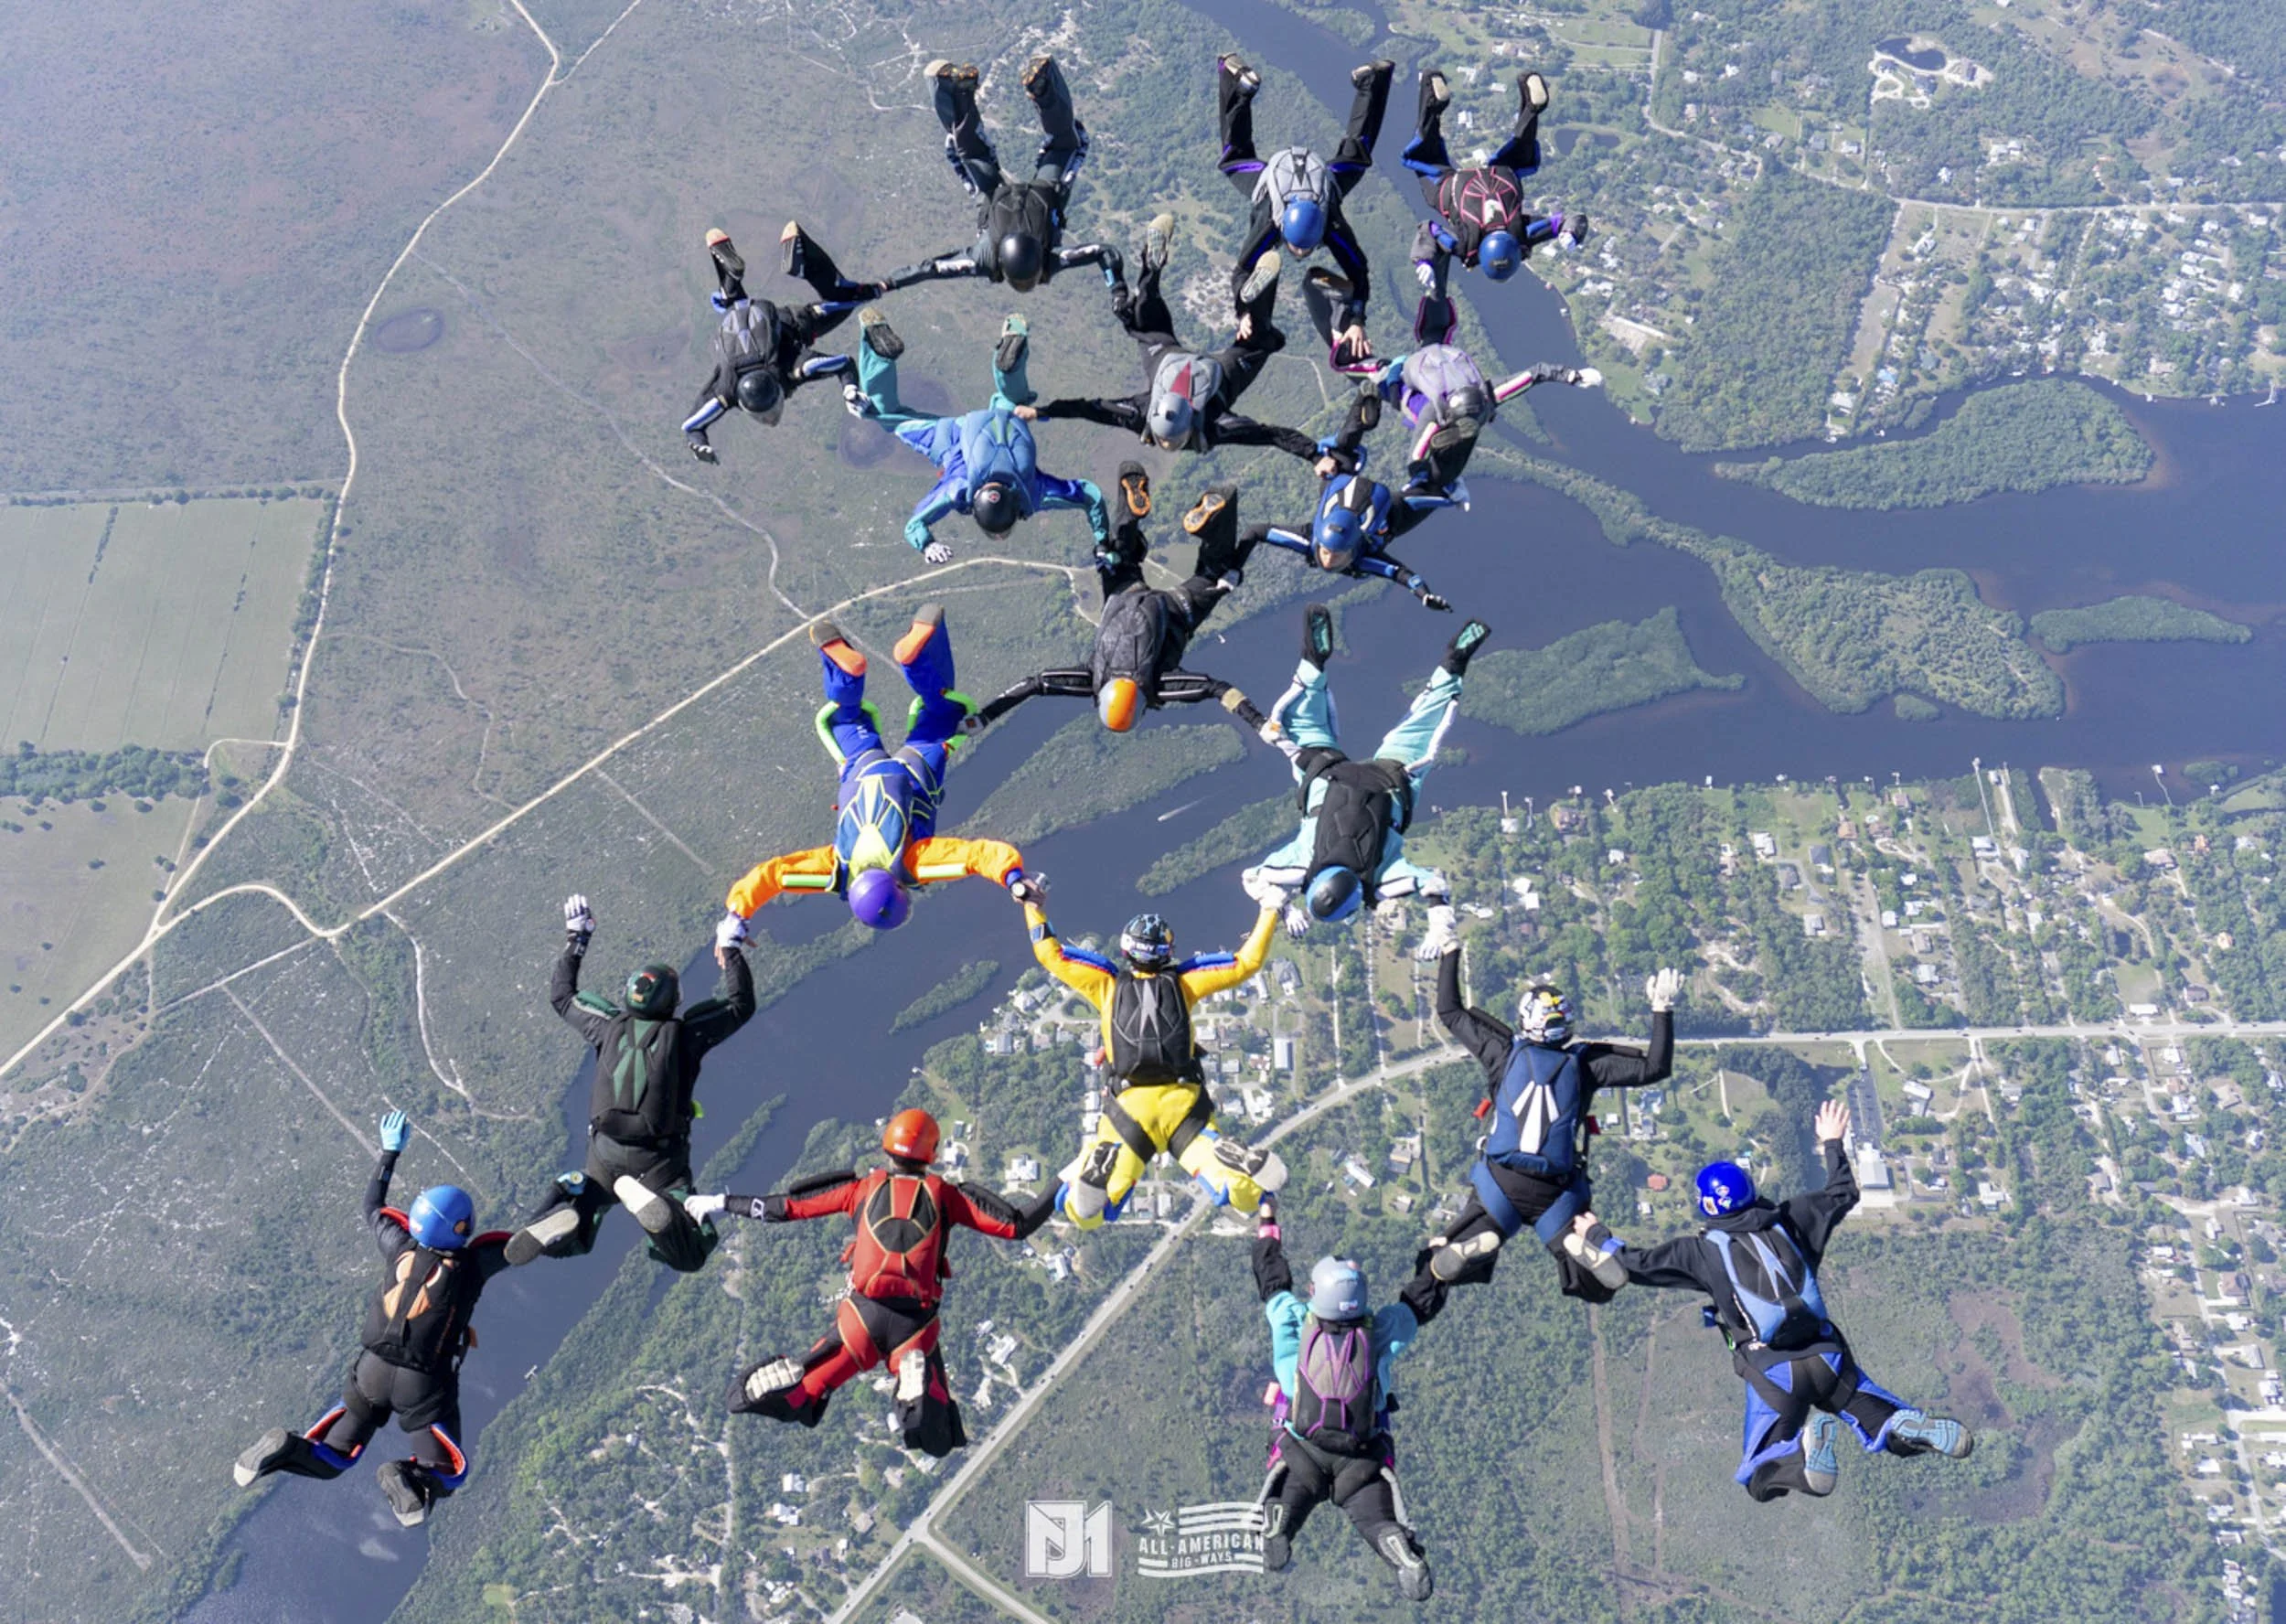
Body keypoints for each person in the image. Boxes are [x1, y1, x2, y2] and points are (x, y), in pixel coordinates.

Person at [1579, 1101, 1975, 1501]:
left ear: (1706, 1206)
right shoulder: (1792, 1219)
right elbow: (1842, 1192)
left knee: (1760, 1477)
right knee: (1878, 1421)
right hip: (1829, 1357)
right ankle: (1902, 1425)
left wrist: (1595, 1235)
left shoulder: (1698, 1253)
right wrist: (1833, 1142)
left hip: (1773, 1371)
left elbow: (1633, 1265)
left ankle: (1802, 1459)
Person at [704, 1108, 1054, 1457]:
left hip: (860, 1320)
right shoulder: (946, 1196)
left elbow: (786, 1207)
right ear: (931, 1155)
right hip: (914, 1328)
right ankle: (912, 1393)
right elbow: (1016, 1226)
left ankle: (784, 1389)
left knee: (804, 1401)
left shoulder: (860, 1190)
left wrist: (721, 1202)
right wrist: (1065, 1182)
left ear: (887, 1147)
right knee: (938, 1435)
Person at [233, 1111, 513, 1528]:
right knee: (451, 1472)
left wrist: (389, 1153)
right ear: (461, 1228)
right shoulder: (472, 1265)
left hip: (370, 1372)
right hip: (421, 1385)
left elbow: (372, 1206)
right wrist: (568, 1198)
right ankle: (407, 1477)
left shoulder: (398, 1244)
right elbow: (529, 1243)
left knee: (333, 1457)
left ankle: (284, 1449)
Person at [717, 607, 1030, 939]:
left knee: (942, 717)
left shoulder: (915, 865)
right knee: (848, 719)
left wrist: (1015, 880)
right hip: (862, 770)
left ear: (900, 888)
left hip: (915, 775)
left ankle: (916, 662)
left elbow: (977, 856)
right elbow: (774, 875)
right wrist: (736, 915)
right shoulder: (836, 868)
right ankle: (846, 676)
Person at [1397, 959, 1678, 1304]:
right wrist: (1662, 1009)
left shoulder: (1503, 1053)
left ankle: (1483, 1238)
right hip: (1555, 1192)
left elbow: (1449, 1011)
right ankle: (1574, 1242)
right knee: (1596, 1281)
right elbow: (1655, 1067)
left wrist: (1450, 949)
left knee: (1440, 1262)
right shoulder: (1585, 1065)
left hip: (1500, 1183)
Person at [503, 895, 756, 1272]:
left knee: (572, 1237)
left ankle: (569, 1195)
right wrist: (731, 948)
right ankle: (668, 1212)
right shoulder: (684, 1036)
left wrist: (578, 938)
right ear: (673, 1002)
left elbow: (562, 996)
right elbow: (740, 1005)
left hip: (603, 1154)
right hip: (658, 1161)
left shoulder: (606, 1026)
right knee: (691, 1253)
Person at [1016, 881, 1287, 1228]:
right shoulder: (1185, 983)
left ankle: (1095, 1172)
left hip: (1129, 1111)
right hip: (1184, 1106)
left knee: (1089, 1215)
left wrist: (1032, 904)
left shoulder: (1107, 985)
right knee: (1245, 1197)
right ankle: (1238, 1167)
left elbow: (1049, 954)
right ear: (1167, 951)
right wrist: (1270, 908)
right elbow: (1247, 963)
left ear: (1127, 951)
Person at [1241, 605, 1486, 952]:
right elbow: (1253, 878)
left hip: (1389, 781)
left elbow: (1435, 886)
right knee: (1305, 726)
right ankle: (1312, 663)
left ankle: (1454, 663)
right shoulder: (1299, 865)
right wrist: (1282, 905)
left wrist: (1440, 932)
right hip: (1328, 777)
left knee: (1423, 724)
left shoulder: (1382, 880)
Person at [964, 468, 1277, 734]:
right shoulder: (1091, 680)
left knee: (1216, 572)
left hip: (1178, 610)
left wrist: (1260, 723)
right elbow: (1033, 684)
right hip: (1123, 595)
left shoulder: (1158, 686)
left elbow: (1217, 689)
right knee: (1120, 555)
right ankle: (1130, 502)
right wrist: (985, 716)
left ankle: (1217, 513)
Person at [1253, 1198, 1439, 1599]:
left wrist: (1268, 1224)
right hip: (1361, 1457)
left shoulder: (1290, 1317)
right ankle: (1397, 1549)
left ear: (1314, 1291)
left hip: (1301, 1451)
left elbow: (1271, 1280)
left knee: (1291, 1499)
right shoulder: (1382, 1330)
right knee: (1375, 1520)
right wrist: (1437, 1263)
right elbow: (1418, 1304)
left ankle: (1279, 1523)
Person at [1016, 213, 1317, 459]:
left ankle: (1248, 306)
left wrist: (1314, 455)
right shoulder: (1154, 416)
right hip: (1183, 364)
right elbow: (1089, 409)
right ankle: (1239, 304)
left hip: (1193, 368)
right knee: (1144, 324)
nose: (1167, 446)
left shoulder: (1207, 425)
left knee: (1255, 340)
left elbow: (1268, 435)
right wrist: (1042, 411)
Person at [846, 309, 1109, 563]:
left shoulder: (1036, 493)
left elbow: (1091, 495)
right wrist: (926, 544)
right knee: (885, 415)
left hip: (1008, 420)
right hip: (953, 436)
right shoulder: (957, 489)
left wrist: (1103, 540)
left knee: (1011, 400)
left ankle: (1010, 362)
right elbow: (914, 524)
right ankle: (874, 345)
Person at [883, 58, 1122, 294]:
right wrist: (889, 283)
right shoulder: (983, 261)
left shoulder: (1053, 259)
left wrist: (1117, 288)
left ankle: (1042, 85)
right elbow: (933, 269)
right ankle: (955, 89)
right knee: (970, 151)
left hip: (1040, 194)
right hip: (995, 196)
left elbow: (1103, 252)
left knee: (1066, 145)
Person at [1216, 55, 1394, 369]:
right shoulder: (1271, 222)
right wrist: (1242, 311)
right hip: (1277, 181)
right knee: (1233, 160)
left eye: (1304, 248)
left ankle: (1374, 81)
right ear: (1284, 230)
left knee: (1358, 157)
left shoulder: (1330, 224)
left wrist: (1356, 320)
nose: (1299, 253)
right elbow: (1242, 271)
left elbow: (1359, 271)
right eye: (1300, 247)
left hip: (1317, 179)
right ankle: (1237, 87)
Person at [680, 222, 888, 463]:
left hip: (795, 322)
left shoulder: (793, 370)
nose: (770, 420)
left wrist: (850, 390)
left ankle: (799, 256)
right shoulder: (725, 394)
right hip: (743, 318)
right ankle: (730, 283)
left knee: (845, 302)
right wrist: (698, 445)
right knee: (737, 305)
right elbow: (691, 427)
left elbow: (843, 362)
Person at [1235, 390, 1458, 613]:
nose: (1330, 559)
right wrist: (1425, 595)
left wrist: (1232, 565)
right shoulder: (1350, 554)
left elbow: (1256, 531)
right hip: (1385, 512)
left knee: (1342, 450)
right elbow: (1403, 575)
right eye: (1329, 552)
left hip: (1369, 501)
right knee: (1438, 486)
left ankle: (1366, 398)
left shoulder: (1309, 541)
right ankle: (1450, 439)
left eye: (1333, 553)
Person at [1401, 69, 1581, 331]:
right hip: (1455, 185)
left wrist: (1572, 233)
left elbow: (1565, 221)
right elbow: (1430, 229)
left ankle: (1531, 108)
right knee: (1424, 160)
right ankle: (1432, 99)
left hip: (1501, 176)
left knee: (1519, 157)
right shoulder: (1464, 246)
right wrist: (1423, 260)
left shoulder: (1524, 234)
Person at [1356, 341, 1601, 503]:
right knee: (1396, 396)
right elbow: (1416, 455)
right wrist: (1418, 483)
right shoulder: (1433, 412)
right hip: (1416, 383)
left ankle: (1451, 477)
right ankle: (1385, 371)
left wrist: (1572, 376)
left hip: (1439, 367)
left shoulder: (1490, 395)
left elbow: (1535, 373)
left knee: (1451, 440)